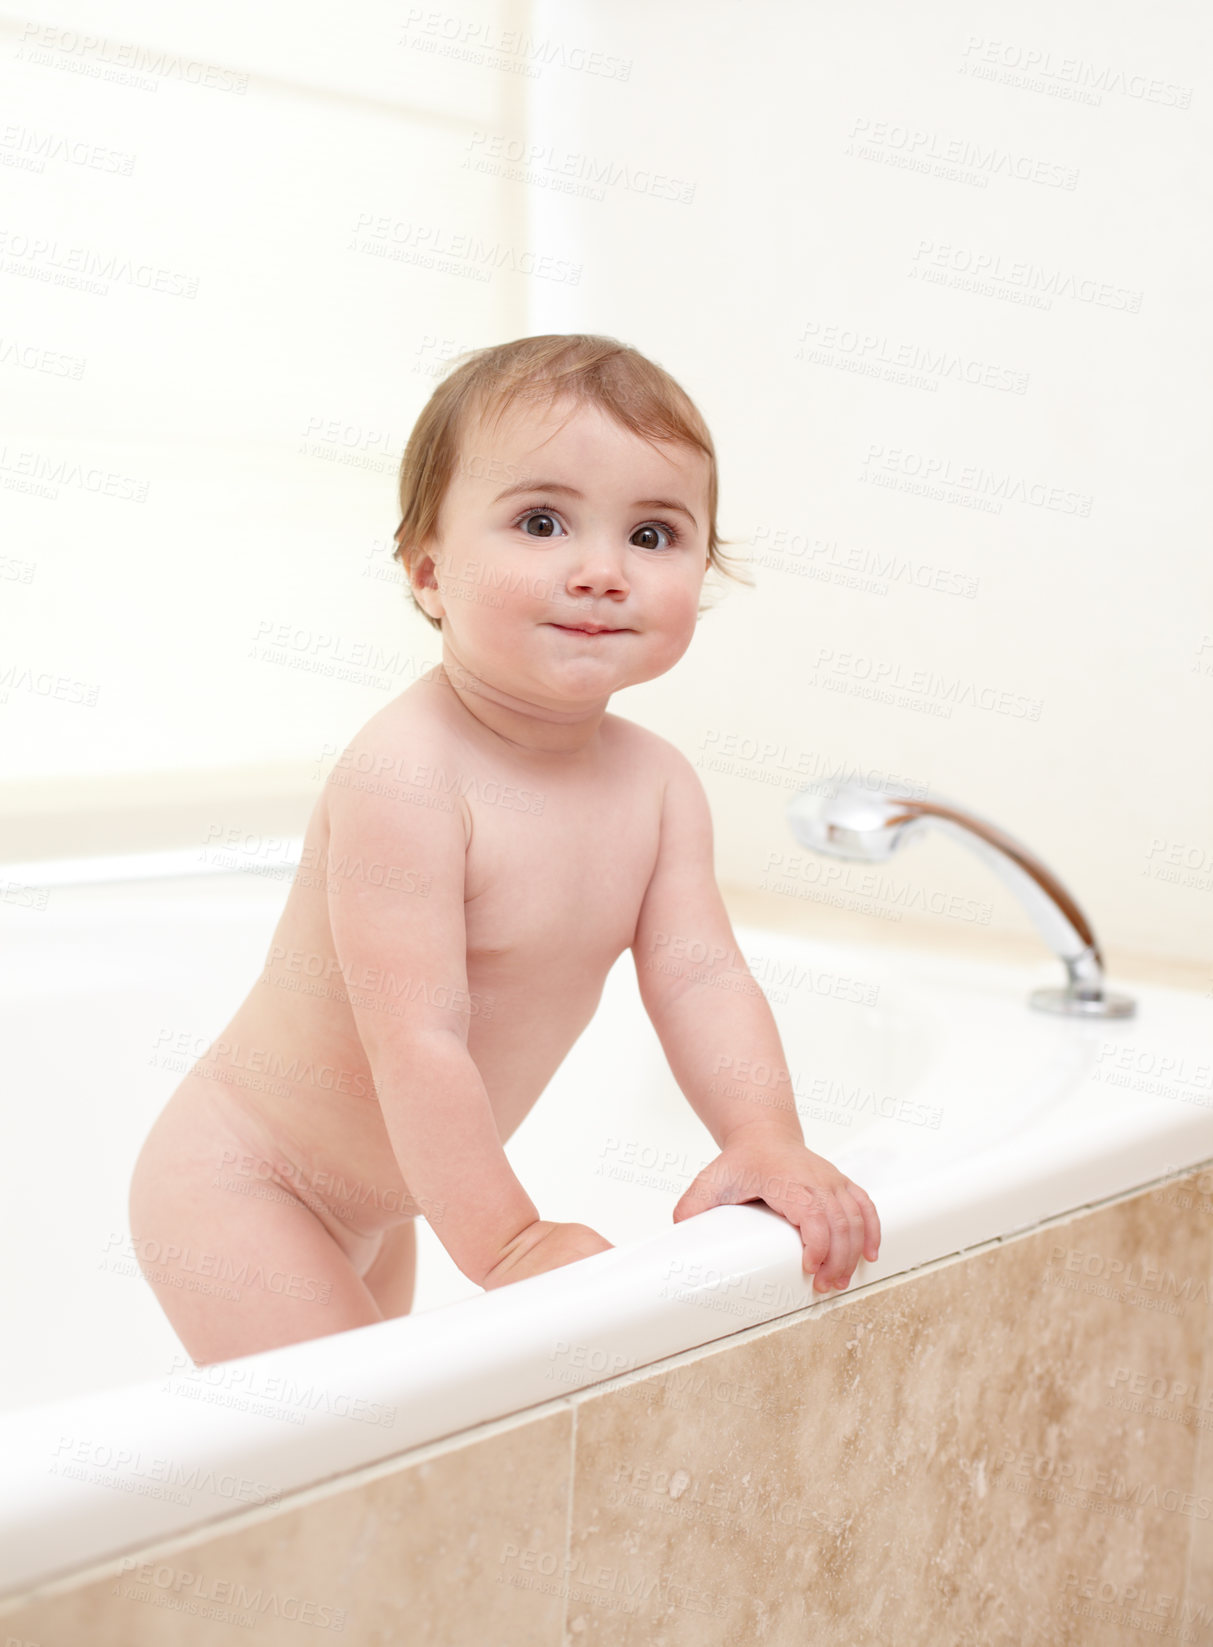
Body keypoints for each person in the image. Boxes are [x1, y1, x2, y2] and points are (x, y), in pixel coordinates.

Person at [128, 333, 881, 1365]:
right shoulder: (409, 774)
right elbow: (418, 1042)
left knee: (362, 1480)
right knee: (359, 1451)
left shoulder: (657, 785)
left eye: (653, 535)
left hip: (380, 1203)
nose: (602, 572)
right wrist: (510, 1246)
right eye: (541, 522)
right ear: (429, 572)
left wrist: (764, 1135)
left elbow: (701, 976)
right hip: (248, 1181)